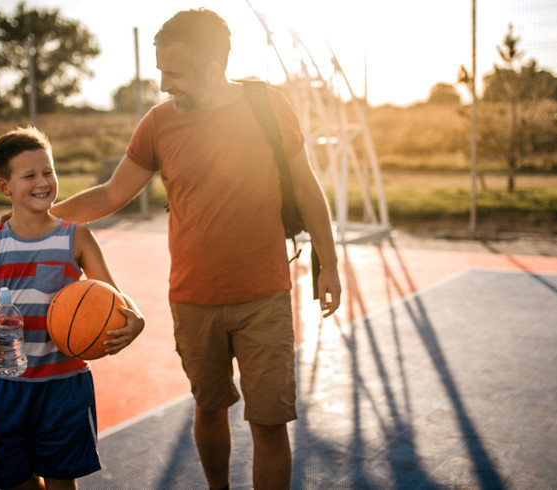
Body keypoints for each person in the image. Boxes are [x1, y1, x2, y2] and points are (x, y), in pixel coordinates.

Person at [46, 8, 341, 490]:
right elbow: (110, 194)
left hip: (263, 295)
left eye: (174, 73)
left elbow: (307, 189)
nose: (164, 84)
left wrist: (328, 266)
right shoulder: (158, 123)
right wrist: (43, 218)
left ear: (213, 65)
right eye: (160, 70)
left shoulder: (267, 106)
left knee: (268, 423)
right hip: (192, 299)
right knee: (209, 409)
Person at [0, 126, 145, 490]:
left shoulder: (76, 236)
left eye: (48, 171)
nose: (42, 181)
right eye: (29, 175)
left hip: (66, 386)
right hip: (12, 385)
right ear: (6, 187)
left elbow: (115, 295)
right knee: (16, 482)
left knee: (62, 483)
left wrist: (136, 319)